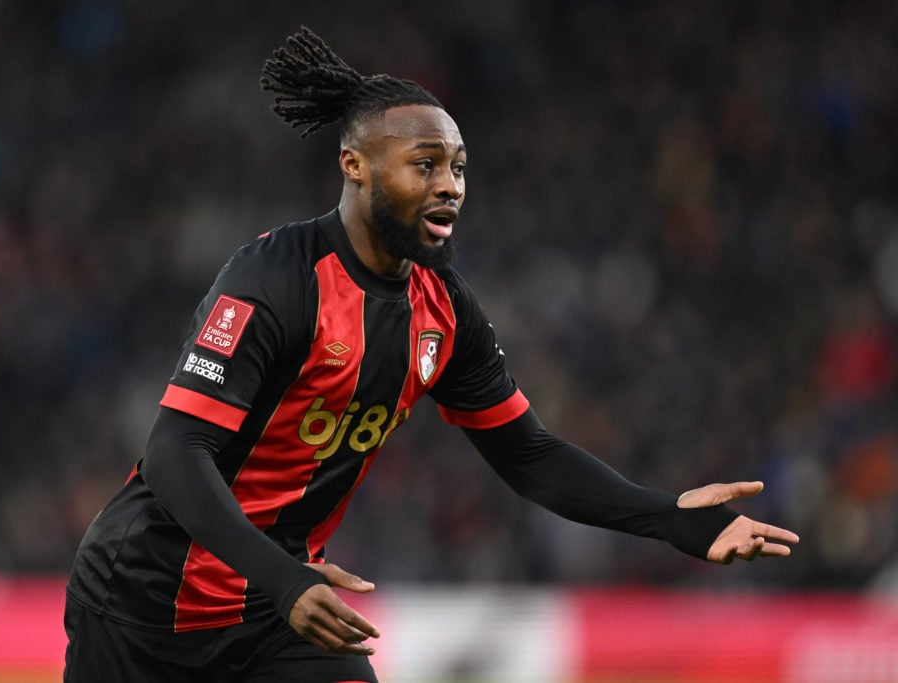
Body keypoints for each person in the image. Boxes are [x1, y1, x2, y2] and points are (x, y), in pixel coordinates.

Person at [63, 26, 799, 683]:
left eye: (459, 167)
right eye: (425, 164)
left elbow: (529, 454)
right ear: (355, 165)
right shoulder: (274, 281)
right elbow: (174, 452)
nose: (450, 185)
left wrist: (670, 517)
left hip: (275, 608)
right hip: (142, 603)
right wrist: (284, 579)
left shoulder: (444, 311)